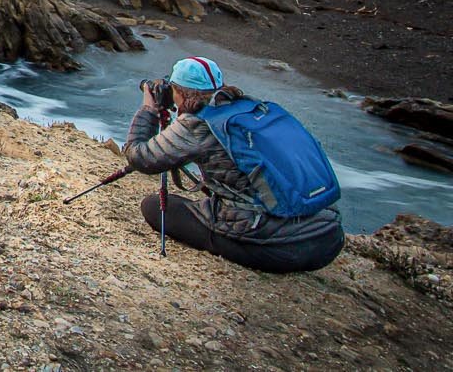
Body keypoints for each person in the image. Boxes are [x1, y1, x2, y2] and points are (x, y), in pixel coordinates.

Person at [124, 56, 345, 273]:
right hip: (330, 237)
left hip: (280, 251)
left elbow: (139, 157)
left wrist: (149, 109)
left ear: (178, 92)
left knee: (154, 206)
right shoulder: (250, 108)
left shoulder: (197, 124)